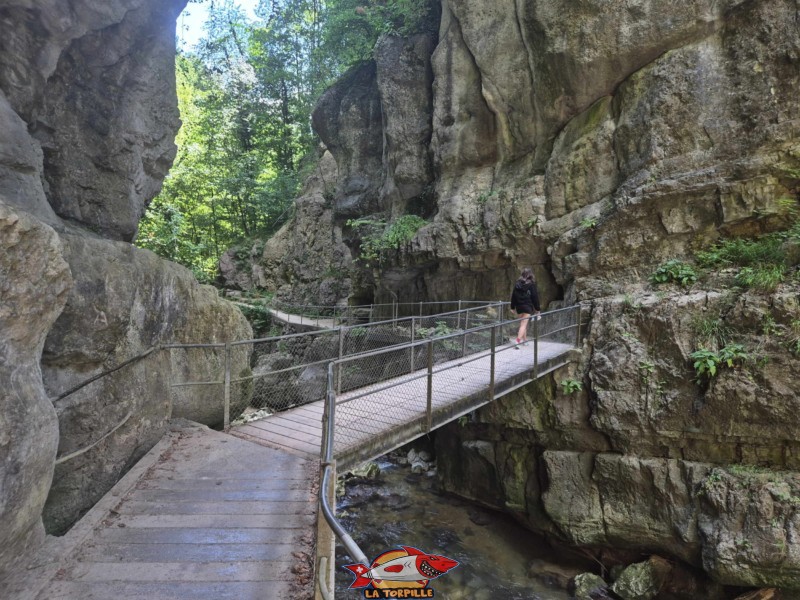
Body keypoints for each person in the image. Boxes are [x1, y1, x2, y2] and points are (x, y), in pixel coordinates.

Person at [509, 267, 541, 347]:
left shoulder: (517, 284)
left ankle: (525, 340)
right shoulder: (531, 284)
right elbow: (535, 297)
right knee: (523, 324)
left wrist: (512, 307)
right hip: (527, 306)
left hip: (519, 307)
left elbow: (513, 296)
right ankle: (517, 341)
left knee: (523, 324)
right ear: (530, 275)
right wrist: (537, 309)